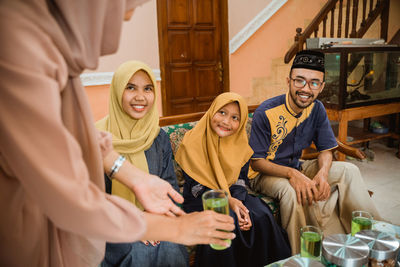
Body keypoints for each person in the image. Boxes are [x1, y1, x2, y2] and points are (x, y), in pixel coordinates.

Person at [0, 1, 234, 266]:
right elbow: (71, 197)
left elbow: (74, 137)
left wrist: (134, 177)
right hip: (35, 233)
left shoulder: (51, 50)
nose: (130, 15)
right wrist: (175, 229)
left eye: (148, 89)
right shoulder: (18, 49)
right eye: (126, 5)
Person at [249, 50, 381, 254]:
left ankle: (371, 238)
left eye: (313, 83)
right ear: (289, 81)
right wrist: (293, 175)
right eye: (299, 81)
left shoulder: (317, 108)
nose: (305, 89)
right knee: (293, 191)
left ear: (321, 87)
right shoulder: (265, 112)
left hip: (297, 166)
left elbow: (326, 149)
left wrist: (322, 172)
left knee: (348, 170)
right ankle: (306, 255)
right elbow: (256, 162)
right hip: (264, 173)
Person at [176, 92, 292, 267]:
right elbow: (195, 188)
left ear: (241, 122)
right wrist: (227, 201)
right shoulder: (192, 142)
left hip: (233, 194)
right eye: (222, 112)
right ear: (212, 111)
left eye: (235, 117)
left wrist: (238, 202)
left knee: (260, 215)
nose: (226, 121)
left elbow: (240, 179)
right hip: (203, 198)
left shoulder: (240, 144)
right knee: (225, 221)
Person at [96, 60, 189, 267]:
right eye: (130, 87)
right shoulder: (97, 139)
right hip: (111, 227)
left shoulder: (158, 137)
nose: (140, 96)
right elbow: (90, 199)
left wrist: (152, 218)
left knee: (170, 246)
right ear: (118, 91)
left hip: (154, 218)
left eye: (147, 88)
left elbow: (170, 187)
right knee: (138, 253)